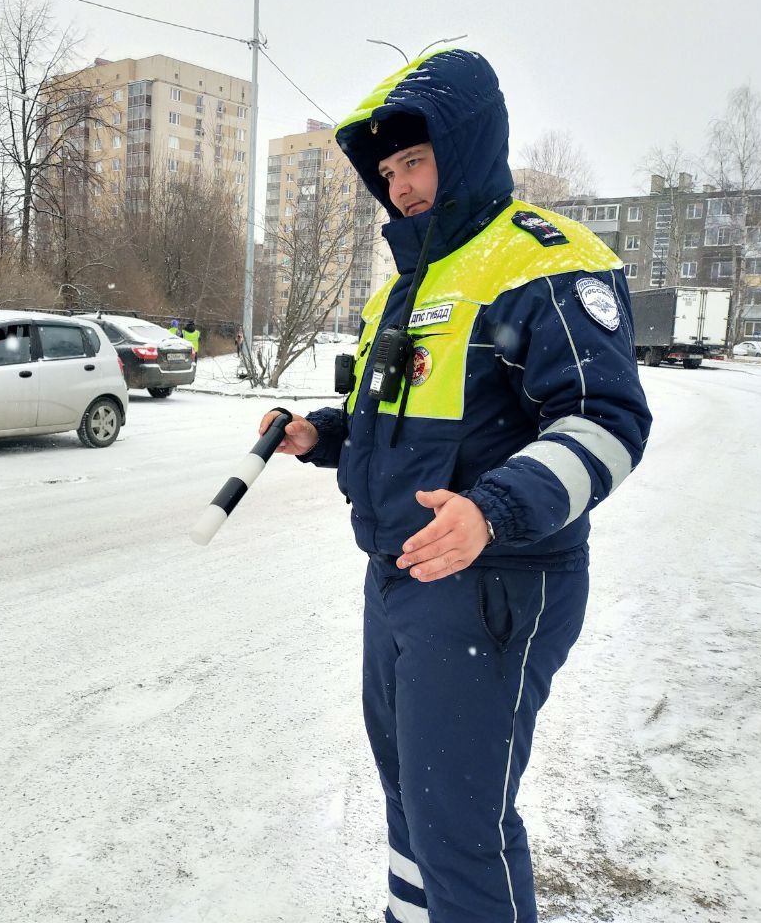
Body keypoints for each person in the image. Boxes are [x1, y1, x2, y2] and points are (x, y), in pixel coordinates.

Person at [258, 50, 652, 923]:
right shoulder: (407, 287)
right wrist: (323, 431)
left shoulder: (542, 260)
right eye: (388, 170)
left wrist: (493, 510)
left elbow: (607, 422)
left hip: (496, 582)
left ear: (465, 147)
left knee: (461, 823)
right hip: (399, 574)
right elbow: (395, 415)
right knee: (409, 800)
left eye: (416, 161)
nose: (400, 187)